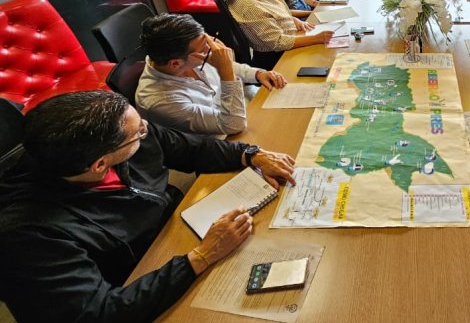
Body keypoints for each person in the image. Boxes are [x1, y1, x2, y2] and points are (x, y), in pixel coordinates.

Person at [0, 90, 297, 322]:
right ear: (100, 164)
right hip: (142, 275)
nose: (146, 130)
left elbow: (189, 147)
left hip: (179, 231)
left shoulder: (118, 137)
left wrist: (249, 154)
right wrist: (201, 257)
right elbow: (99, 313)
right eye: (138, 134)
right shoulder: (28, 235)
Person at [135, 13, 286, 136]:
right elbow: (233, 125)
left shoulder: (184, 56)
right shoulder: (160, 101)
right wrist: (227, 74)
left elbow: (224, 64)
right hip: (221, 136)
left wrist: (258, 74)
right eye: (204, 50)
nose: (212, 50)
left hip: (238, 110)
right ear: (175, 63)